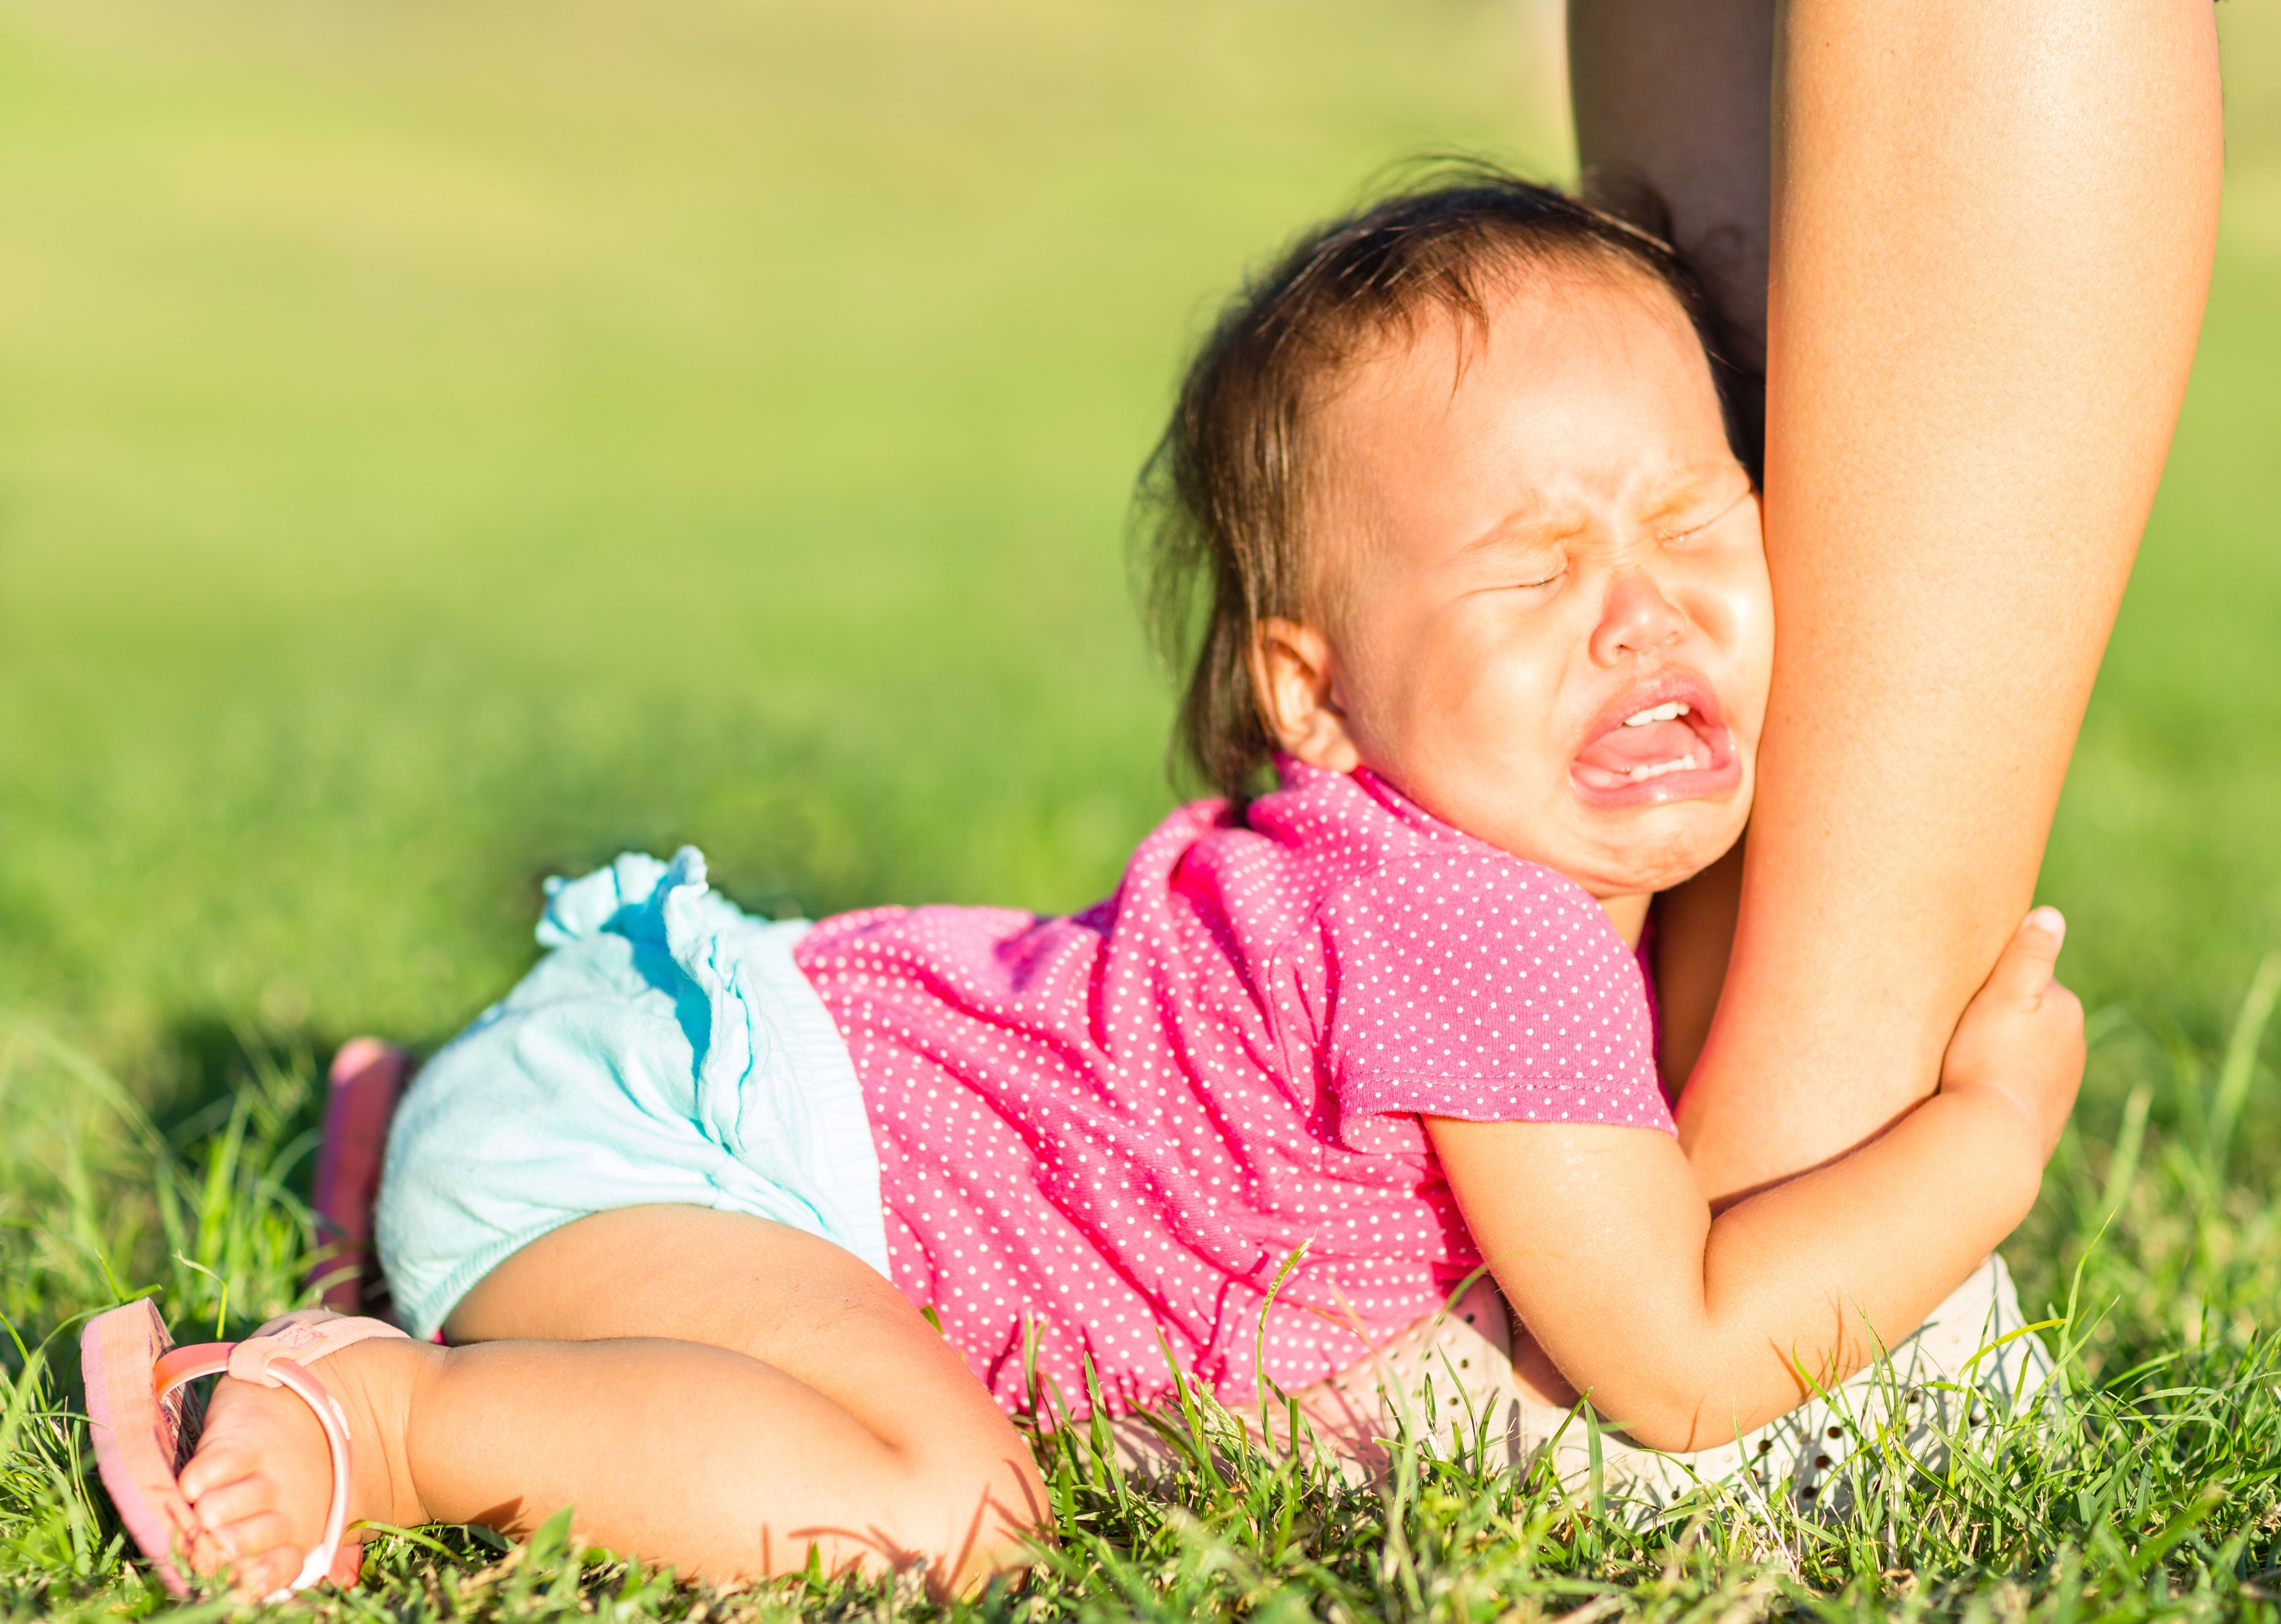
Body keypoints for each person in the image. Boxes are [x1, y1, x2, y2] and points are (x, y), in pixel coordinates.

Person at [83, 173, 2085, 1602]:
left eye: (1689, 513)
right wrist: (1983, 1139)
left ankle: (432, 1161)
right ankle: (390, 1409)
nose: (1642, 610)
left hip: (702, 1068)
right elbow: (1676, 1351)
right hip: (696, 1149)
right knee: (946, 1514)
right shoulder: (1486, 928)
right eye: (1535, 568)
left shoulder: (1441, 865)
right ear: (1315, 687)